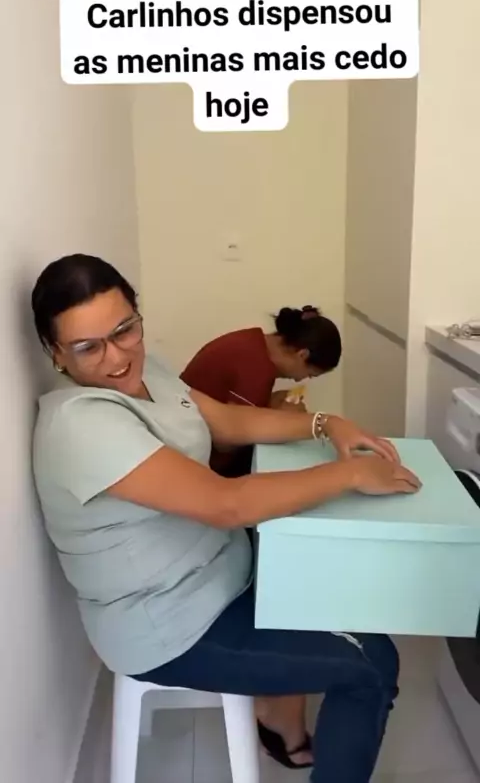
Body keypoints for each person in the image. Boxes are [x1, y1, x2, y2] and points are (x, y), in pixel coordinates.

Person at [31, 254, 420, 783]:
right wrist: (350, 474)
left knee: (333, 573)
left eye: (124, 330)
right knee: (372, 666)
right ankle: (283, 710)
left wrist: (326, 423)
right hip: (176, 623)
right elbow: (225, 503)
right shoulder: (81, 424)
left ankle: (277, 712)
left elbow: (229, 422)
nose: (116, 357)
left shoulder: (147, 372)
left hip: (222, 571)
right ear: (55, 352)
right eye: (87, 346)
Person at [181, 305, 342, 476]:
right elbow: (226, 442)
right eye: (309, 374)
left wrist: (270, 403)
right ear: (302, 355)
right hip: (196, 459)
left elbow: (230, 408)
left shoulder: (254, 341)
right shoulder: (256, 368)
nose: (300, 380)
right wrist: (285, 419)